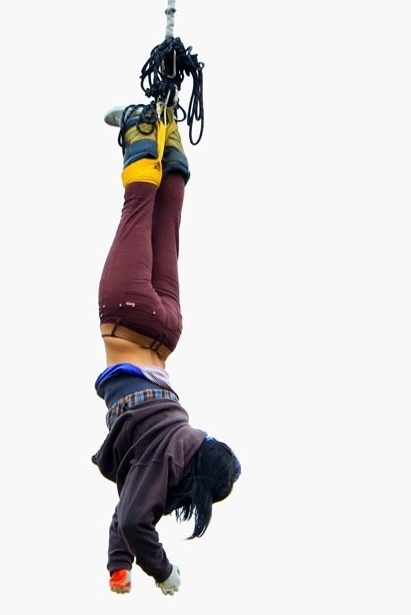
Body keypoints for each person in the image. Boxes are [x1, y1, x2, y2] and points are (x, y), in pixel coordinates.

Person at [91, 100, 242, 597]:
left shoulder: (174, 446)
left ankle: (169, 135)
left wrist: (119, 566)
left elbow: (131, 505)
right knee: (137, 208)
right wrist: (163, 572)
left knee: (165, 222)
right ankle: (141, 125)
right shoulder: (164, 462)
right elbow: (136, 519)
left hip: (167, 330)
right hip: (128, 316)